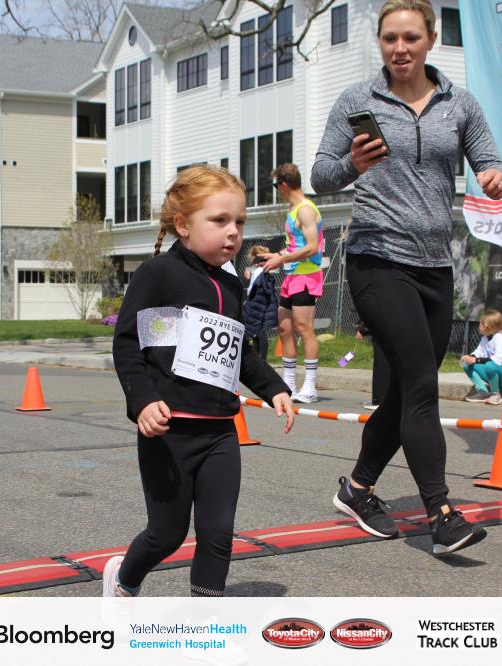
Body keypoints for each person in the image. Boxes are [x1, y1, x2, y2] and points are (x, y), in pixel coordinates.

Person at [311, 0, 502, 554]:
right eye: (390, 38)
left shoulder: (458, 103)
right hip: (376, 259)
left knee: (404, 391)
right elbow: (321, 174)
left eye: (411, 38)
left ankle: (357, 489)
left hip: (435, 265)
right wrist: (353, 165)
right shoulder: (358, 100)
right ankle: (441, 514)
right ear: (380, 42)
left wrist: (493, 176)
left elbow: (488, 159)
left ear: (430, 40)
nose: (400, 49)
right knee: (422, 385)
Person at [108, 165, 295, 598]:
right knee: (167, 534)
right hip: (169, 431)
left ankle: (206, 621)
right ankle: (123, 580)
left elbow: (239, 352)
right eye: (219, 220)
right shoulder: (160, 275)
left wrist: (275, 388)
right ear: (183, 225)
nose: (233, 232)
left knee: (218, 533)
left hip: (220, 433)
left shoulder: (231, 286)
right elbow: (132, 345)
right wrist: (143, 401)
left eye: (239, 222)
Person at [257, 163, 324, 403]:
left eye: (276, 186)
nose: (277, 190)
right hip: (292, 276)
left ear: (283, 185)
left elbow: (312, 247)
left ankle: (310, 387)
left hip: (307, 276)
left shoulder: (305, 210)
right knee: (285, 328)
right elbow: (296, 246)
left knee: (304, 328)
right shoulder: (293, 210)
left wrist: (282, 259)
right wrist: (275, 255)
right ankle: (288, 385)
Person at [461, 309, 502, 406]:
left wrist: (476, 360)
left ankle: (496, 395)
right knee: (466, 364)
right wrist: (470, 357)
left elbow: (497, 360)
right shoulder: (485, 338)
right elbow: (477, 352)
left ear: (486, 326)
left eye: (481, 323)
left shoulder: (499, 337)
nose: (479, 325)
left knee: (490, 365)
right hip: (495, 374)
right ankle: (483, 392)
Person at [242, 245, 278, 360]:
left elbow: (256, 289)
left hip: (257, 304)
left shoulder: (261, 271)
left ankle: (262, 359)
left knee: (259, 332)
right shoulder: (258, 270)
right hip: (257, 303)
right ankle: (259, 359)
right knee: (256, 333)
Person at [355, 320, 390, 411]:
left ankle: (380, 400)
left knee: (382, 365)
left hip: (383, 333)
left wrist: (363, 330)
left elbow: (377, 315)